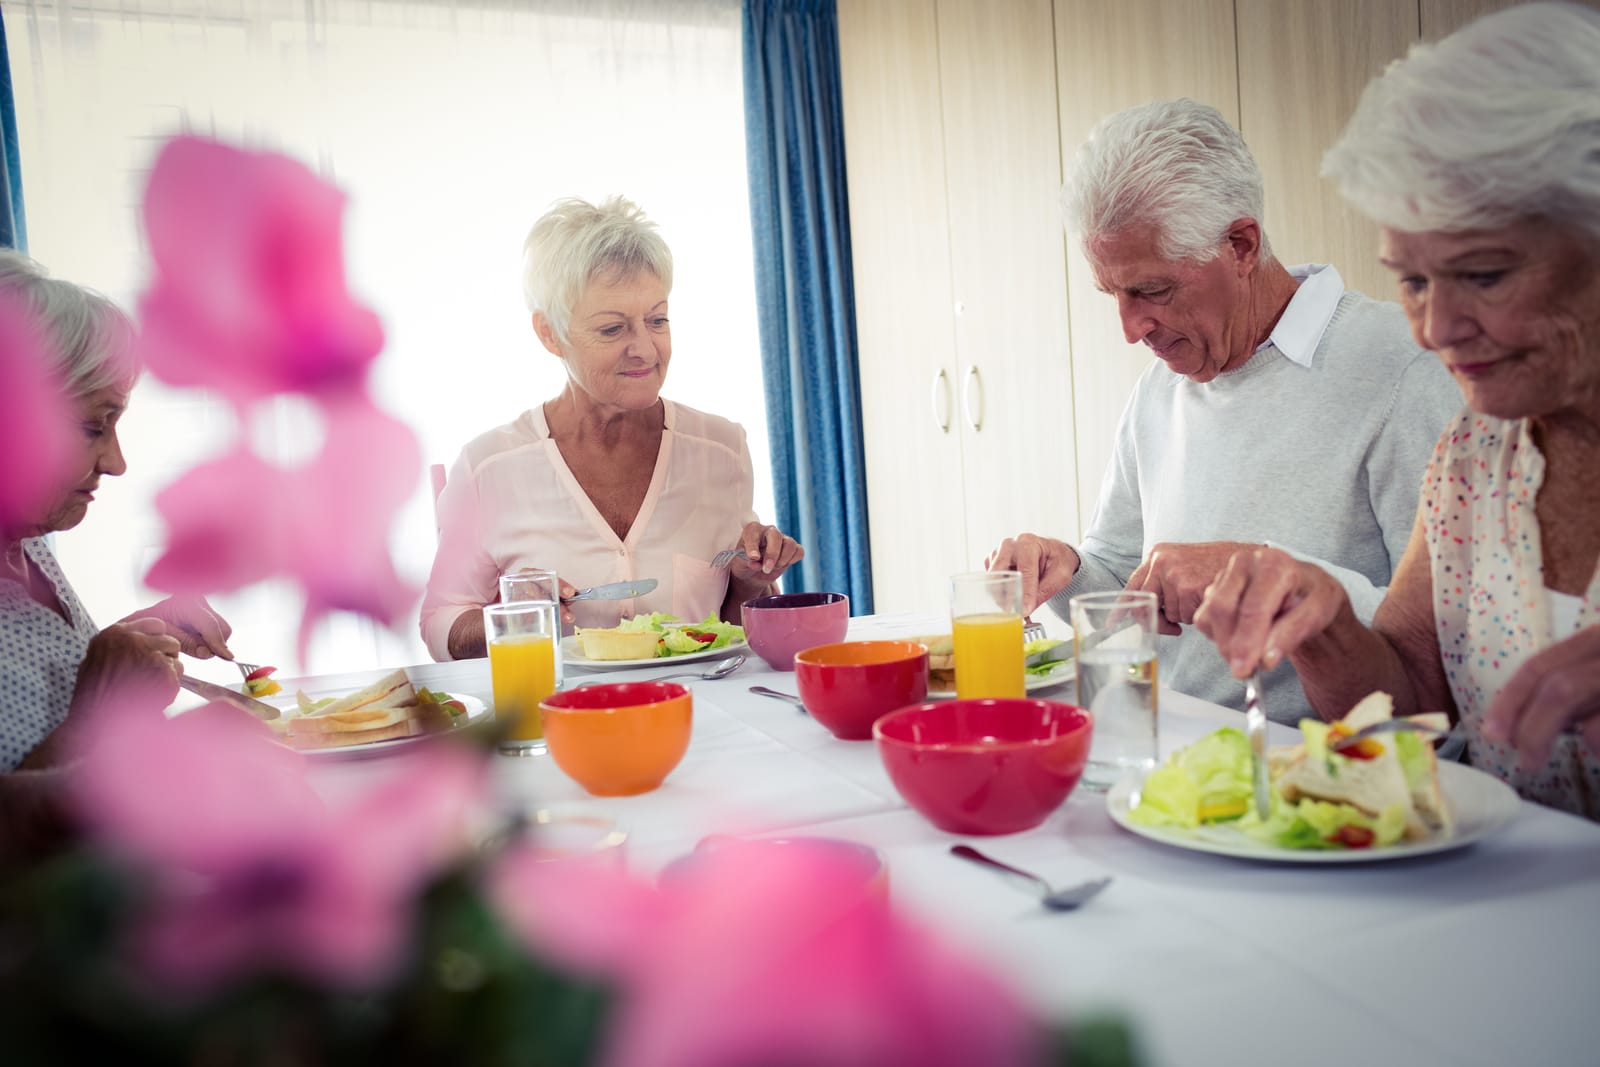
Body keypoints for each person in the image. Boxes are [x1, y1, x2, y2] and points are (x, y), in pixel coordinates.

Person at [1193, 2, 1600, 819]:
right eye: (1411, 279)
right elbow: (1414, 701)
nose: (1434, 329)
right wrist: (1326, 624)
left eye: (1483, 275)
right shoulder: (1476, 458)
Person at [987, 99, 1462, 724]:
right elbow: (1130, 584)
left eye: (1151, 291)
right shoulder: (1160, 388)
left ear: (1241, 245)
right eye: (1114, 294)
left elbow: (1444, 643)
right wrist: (1071, 570)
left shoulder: (1402, 368)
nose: (1131, 330)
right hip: (1177, 748)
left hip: (1322, 770)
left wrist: (1272, 580)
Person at [421, 196, 803, 661]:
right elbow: (440, 626)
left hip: (701, 719)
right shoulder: (487, 469)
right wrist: (518, 618)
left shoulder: (722, 450)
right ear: (549, 334)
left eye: (657, 320)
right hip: (560, 723)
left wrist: (750, 578)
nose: (644, 348)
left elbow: (735, 627)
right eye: (612, 329)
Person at [0, 250, 235, 774]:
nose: (117, 462)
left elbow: (39, 686)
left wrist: (136, 642)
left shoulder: (26, 535)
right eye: (92, 427)